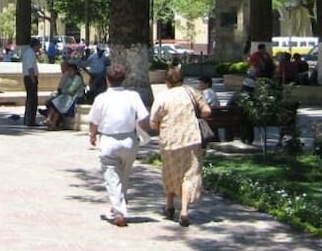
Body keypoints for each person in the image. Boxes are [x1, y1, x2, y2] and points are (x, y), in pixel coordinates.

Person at [87, 63, 150, 227]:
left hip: (108, 140)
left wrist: (92, 135)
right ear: (123, 79)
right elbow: (143, 117)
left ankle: (120, 211)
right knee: (124, 176)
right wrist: (138, 128)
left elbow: (94, 121)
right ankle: (119, 205)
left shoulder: (101, 98)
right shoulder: (133, 96)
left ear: (107, 80)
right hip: (129, 140)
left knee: (112, 177)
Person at [150, 66, 212, 226]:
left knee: (170, 173)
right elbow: (207, 111)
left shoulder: (163, 97)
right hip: (191, 138)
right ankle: (184, 211)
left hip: (170, 141)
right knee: (189, 175)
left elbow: (153, 122)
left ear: (166, 81)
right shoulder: (192, 93)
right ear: (182, 79)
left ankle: (170, 206)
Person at [44, 61, 85, 130]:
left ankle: (51, 120)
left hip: (75, 97)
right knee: (56, 103)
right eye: (69, 70)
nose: (70, 72)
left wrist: (62, 91)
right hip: (67, 96)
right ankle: (51, 122)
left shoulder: (77, 79)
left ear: (75, 71)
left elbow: (71, 91)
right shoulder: (68, 78)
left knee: (59, 103)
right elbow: (62, 87)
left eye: (71, 70)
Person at [21, 37, 41, 127]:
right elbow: (30, 68)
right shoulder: (30, 54)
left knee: (30, 99)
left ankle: (28, 119)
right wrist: (33, 80)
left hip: (29, 77)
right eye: (38, 46)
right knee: (32, 100)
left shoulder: (28, 53)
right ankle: (30, 120)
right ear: (35, 45)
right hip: (30, 78)